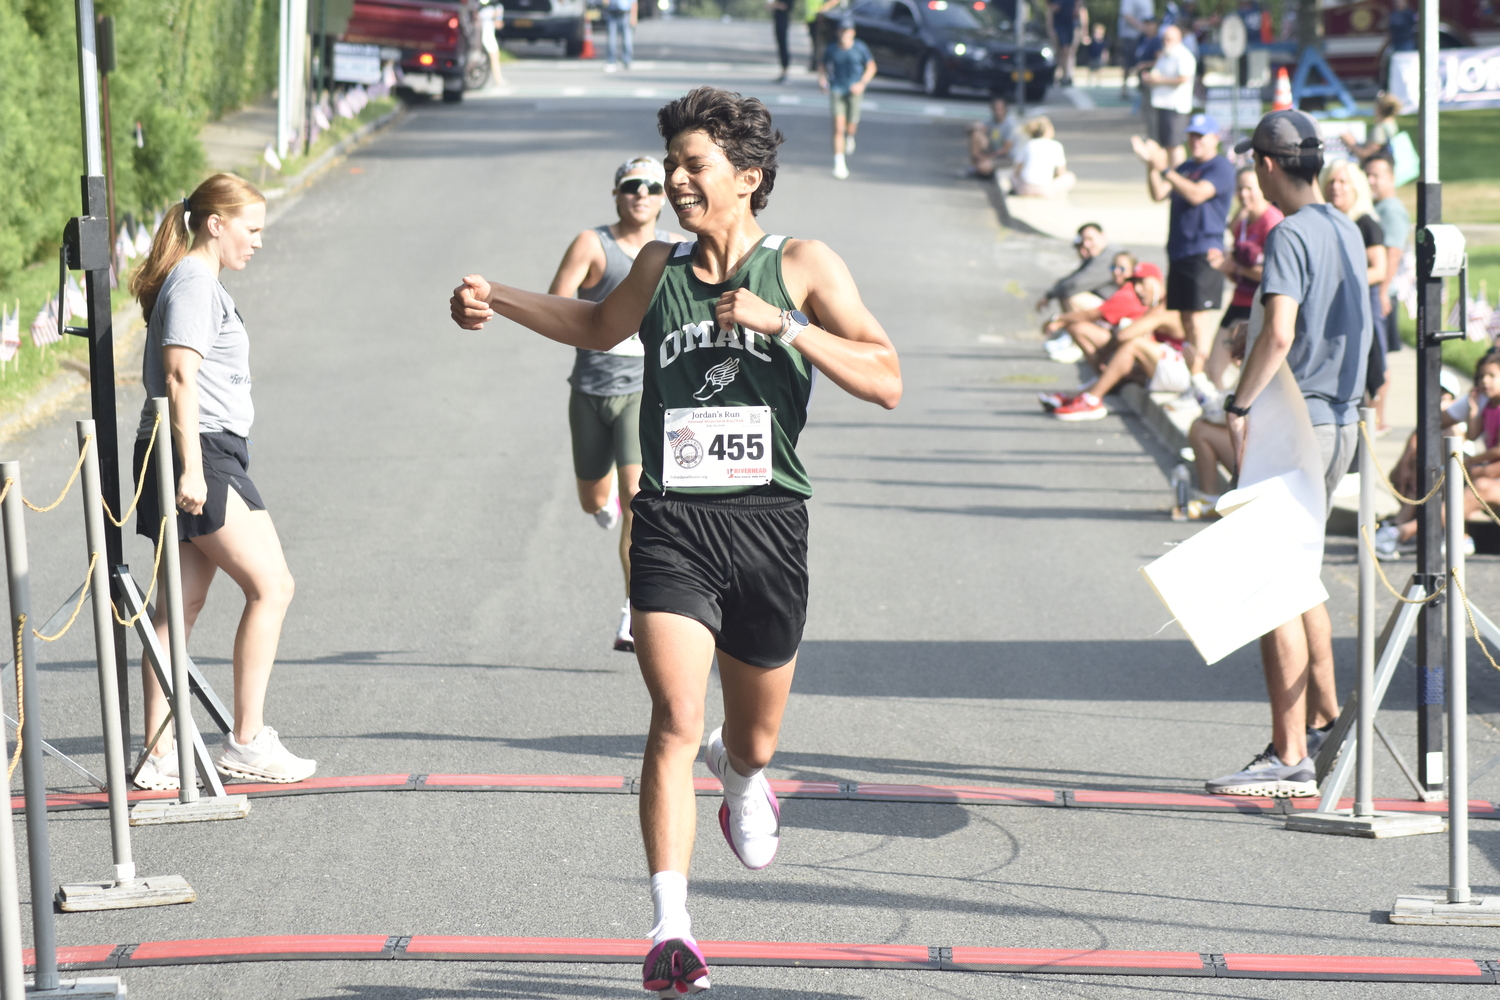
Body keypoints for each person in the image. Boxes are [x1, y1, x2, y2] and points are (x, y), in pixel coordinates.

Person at [448, 86, 901, 998]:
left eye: (694, 167)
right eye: (672, 167)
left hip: (769, 522)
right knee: (673, 718)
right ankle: (670, 928)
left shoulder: (803, 264)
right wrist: (496, 297)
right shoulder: (656, 265)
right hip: (674, 521)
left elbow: (886, 377)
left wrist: (788, 326)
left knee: (756, 738)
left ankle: (742, 780)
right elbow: (593, 325)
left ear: (748, 176)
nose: (677, 182)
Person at [127, 173, 313, 790]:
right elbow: (179, 377)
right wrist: (189, 470)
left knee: (178, 607)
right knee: (273, 586)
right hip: (198, 452)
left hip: (199, 450)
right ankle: (246, 740)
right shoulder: (195, 283)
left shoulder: (199, 281)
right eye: (251, 228)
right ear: (216, 223)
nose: (258, 241)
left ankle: (158, 755)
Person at [1206, 110, 1371, 797]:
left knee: (1274, 589)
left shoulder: (1288, 234)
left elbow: (1278, 333)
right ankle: (1327, 719)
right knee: (1300, 577)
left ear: (1267, 165)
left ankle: (1290, 752)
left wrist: (1239, 405)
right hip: (1342, 419)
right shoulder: (1345, 227)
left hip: (1297, 422)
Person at [547, 157, 684, 653]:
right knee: (593, 498)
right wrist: (610, 325)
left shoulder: (673, 251)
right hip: (589, 386)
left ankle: (632, 611)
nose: (642, 194)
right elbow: (558, 302)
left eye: (651, 186)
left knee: (635, 494)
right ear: (617, 193)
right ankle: (600, 502)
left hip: (643, 391)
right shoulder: (593, 244)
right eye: (632, 186)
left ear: (662, 196)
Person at [1132, 113, 1235, 379]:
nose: (1195, 141)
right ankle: (1192, 375)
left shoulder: (1220, 167)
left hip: (1203, 250)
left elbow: (1197, 194)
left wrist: (1165, 168)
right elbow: (1159, 193)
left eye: (1200, 136)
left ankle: (1201, 377)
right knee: (1186, 318)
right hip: (1179, 250)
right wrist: (1151, 166)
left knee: (1199, 319)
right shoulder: (1186, 166)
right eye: (1191, 136)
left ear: (1214, 138)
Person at [1047, 264, 1193, 420]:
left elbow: (1123, 335)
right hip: (1165, 369)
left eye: (1142, 283)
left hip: (1183, 372)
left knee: (1133, 344)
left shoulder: (1166, 306)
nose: (1137, 289)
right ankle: (1077, 396)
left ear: (1158, 282)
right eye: (1134, 283)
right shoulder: (1154, 304)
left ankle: (1092, 400)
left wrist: (1101, 357)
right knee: (1125, 350)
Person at [1322, 158, 1388, 432]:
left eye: (1343, 182)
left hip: (1362, 307)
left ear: (1356, 187)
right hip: (1332, 310)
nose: (1336, 188)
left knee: (1367, 373)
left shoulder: (1366, 223)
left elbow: (1379, 269)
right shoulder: (1327, 221)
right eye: (1332, 182)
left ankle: (1367, 431)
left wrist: (1343, 282)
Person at [1204, 165, 1282, 391]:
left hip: (1260, 306)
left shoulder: (1272, 222)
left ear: (1262, 188)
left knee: (1250, 373)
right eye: (1240, 189)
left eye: (1249, 188)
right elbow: (1236, 275)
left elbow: (1275, 276)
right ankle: (1220, 416)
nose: (1244, 194)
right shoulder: (1243, 222)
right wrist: (1224, 267)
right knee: (1214, 369)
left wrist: (1236, 267)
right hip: (1239, 301)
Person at [1039, 254, 1155, 372]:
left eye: (1122, 269)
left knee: (1077, 328)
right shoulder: (1125, 289)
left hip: (1135, 343)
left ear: (1132, 271)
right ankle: (1103, 373)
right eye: (1113, 267)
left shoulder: (1128, 293)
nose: (1116, 272)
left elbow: (1090, 315)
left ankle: (1102, 372)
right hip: (1125, 337)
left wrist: (1058, 320)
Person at [1365, 151, 1410, 374]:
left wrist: (1382, 292)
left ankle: (1378, 410)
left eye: (1376, 175)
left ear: (1391, 178)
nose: (1370, 180)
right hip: (1376, 290)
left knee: (1378, 362)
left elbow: (1394, 254)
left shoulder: (1391, 210)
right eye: (1367, 175)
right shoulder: (1376, 206)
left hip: (1382, 293)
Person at [818, 19, 876, 180]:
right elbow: (822, 66)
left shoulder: (860, 48)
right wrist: (822, 80)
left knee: (851, 125)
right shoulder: (832, 49)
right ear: (838, 32)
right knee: (838, 127)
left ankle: (850, 137)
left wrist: (862, 83)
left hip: (854, 91)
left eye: (848, 31)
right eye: (842, 31)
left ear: (853, 33)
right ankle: (839, 162)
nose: (845, 34)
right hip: (837, 89)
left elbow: (871, 67)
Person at [1140, 24, 1196, 166]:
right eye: (1164, 39)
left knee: (1174, 145)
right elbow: (1157, 73)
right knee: (1165, 145)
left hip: (1175, 107)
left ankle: (1179, 175)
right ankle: (1170, 175)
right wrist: (1150, 78)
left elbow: (1184, 78)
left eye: (1169, 39)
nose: (1166, 42)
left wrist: (1160, 80)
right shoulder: (1165, 55)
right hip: (1162, 105)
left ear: (1178, 39)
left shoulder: (1183, 56)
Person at [1005, 116, 1075, 198]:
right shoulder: (1056, 146)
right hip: (1045, 190)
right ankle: (1058, 193)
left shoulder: (1028, 144)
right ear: (1047, 130)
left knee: (1012, 176)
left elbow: (1016, 170)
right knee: (1070, 177)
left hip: (1025, 189)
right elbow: (1061, 172)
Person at [967, 95, 1022, 179]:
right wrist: (975, 127)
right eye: (996, 109)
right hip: (993, 151)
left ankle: (984, 169)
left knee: (982, 167)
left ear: (1005, 109)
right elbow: (968, 130)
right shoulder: (991, 120)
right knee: (976, 134)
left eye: (1001, 109)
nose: (998, 112)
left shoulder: (1010, 125)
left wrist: (987, 157)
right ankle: (975, 165)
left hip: (1006, 157)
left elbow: (1005, 150)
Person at [1342, 92, 1402, 161]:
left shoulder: (1380, 129)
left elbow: (1365, 154)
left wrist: (1350, 142)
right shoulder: (1392, 124)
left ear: (1378, 109)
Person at [1116, 0, 1153, 98]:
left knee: (1144, 62)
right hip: (1131, 36)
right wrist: (1142, 28)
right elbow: (1126, 15)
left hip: (1144, 36)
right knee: (1128, 64)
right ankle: (1124, 89)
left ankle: (1142, 89)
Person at [603, 0, 637, 72]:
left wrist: (633, 16)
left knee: (627, 40)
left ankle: (627, 61)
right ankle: (611, 61)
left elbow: (634, 2)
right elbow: (605, 3)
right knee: (611, 40)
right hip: (612, 14)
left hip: (626, 14)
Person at [769, 0, 791, 82]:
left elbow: (785, 6)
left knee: (783, 46)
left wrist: (773, 5)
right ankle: (783, 72)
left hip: (783, 22)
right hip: (778, 21)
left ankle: (785, 72)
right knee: (781, 46)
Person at [1083, 22, 1109, 86]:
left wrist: (1105, 57)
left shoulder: (1103, 43)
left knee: (1099, 70)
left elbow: (1105, 51)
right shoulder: (1092, 41)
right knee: (1091, 70)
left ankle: (1099, 81)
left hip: (1099, 58)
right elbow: (1086, 42)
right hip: (1092, 57)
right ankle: (1089, 81)